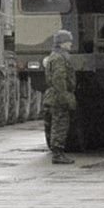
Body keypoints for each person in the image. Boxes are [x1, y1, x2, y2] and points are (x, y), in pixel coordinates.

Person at [43, 29, 77, 165]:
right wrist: (65, 96)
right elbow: (58, 78)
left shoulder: (55, 56)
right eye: (69, 42)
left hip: (55, 95)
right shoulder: (59, 58)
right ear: (62, 43)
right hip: (58, 96)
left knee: (57, 123)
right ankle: (57, 153)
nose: (70, 44)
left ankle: (58, 152)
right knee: (60, 124)